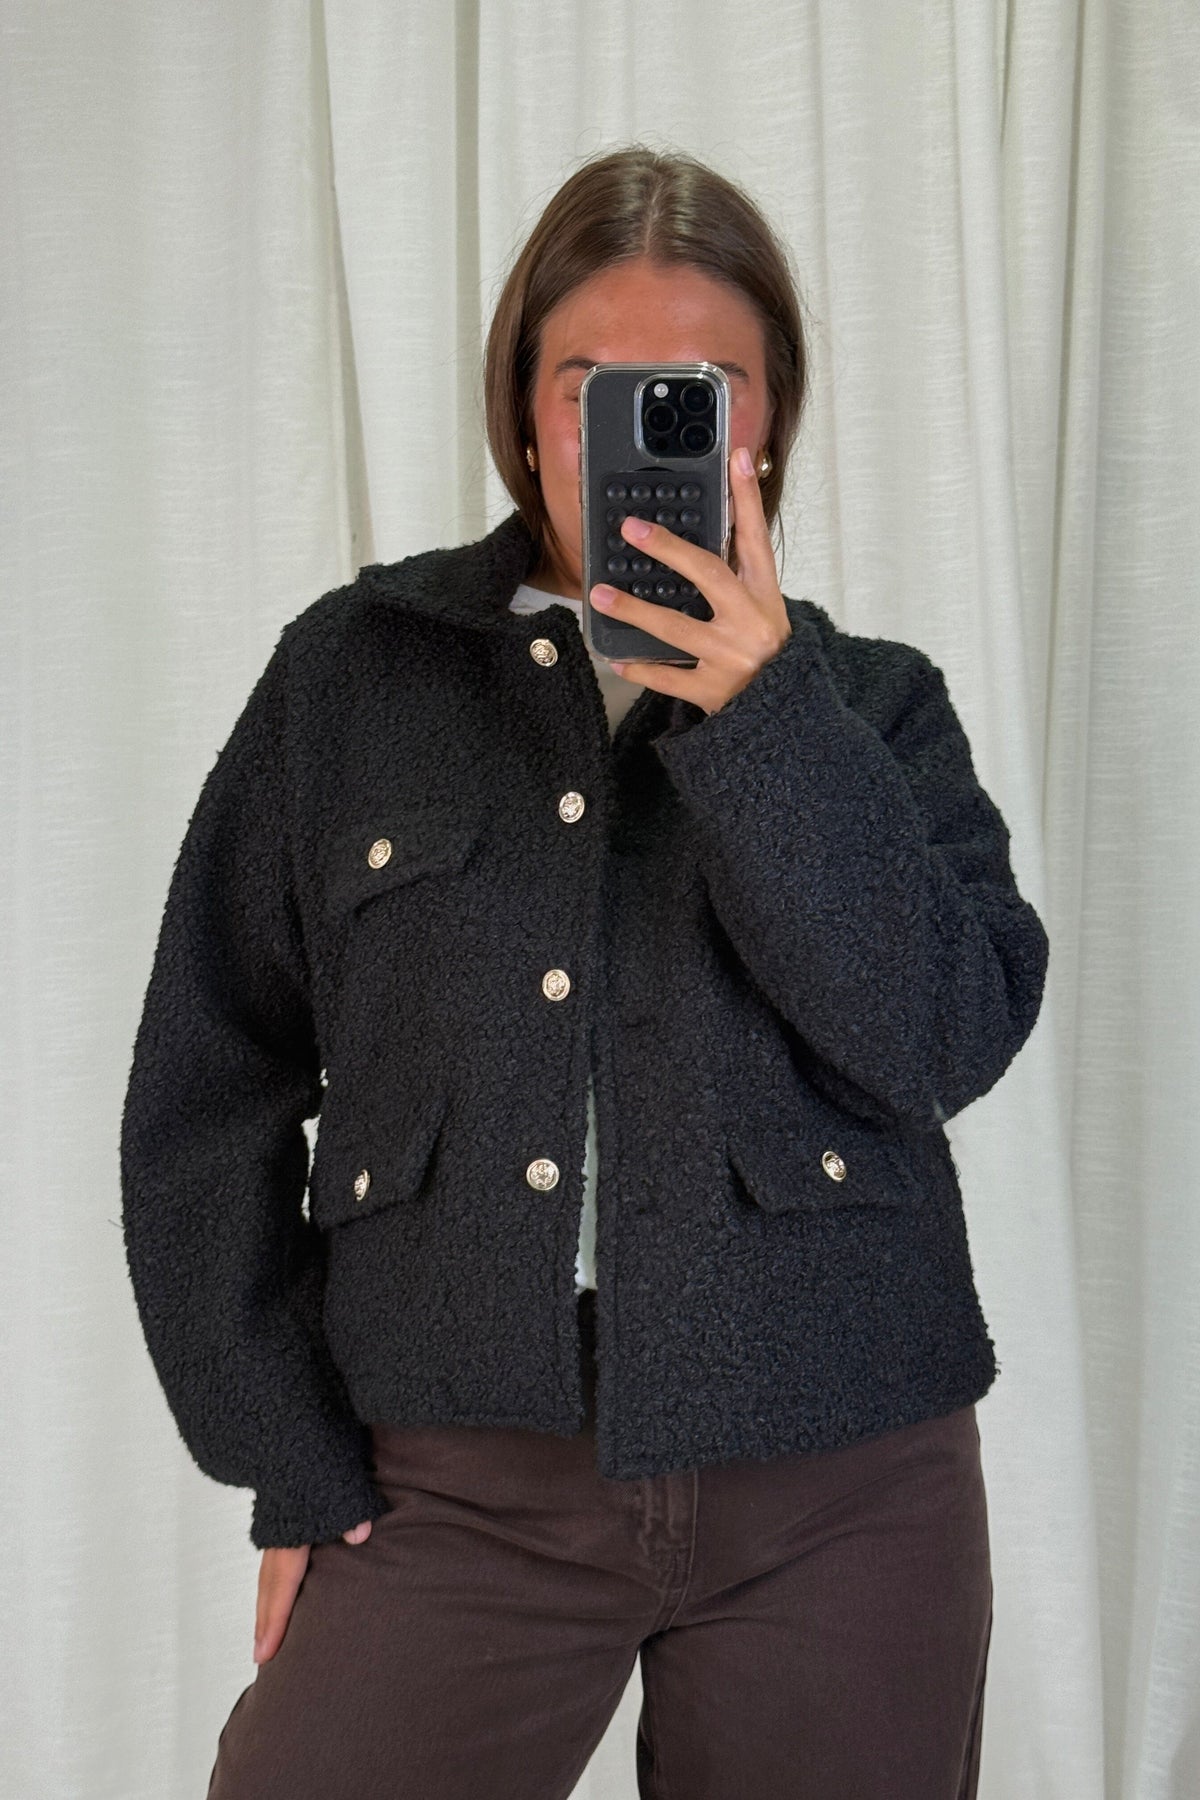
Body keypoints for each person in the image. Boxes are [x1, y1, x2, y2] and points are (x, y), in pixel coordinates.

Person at [120, 144, 1049, 1799]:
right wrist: (285, 1454)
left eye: (702, 393)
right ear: (528, 409)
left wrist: (766, 718)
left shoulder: (871, 706)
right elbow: (208, 1084)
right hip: (452, 1482)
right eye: (592, 387)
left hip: (849, 1480)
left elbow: (945, 1035)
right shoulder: (354, 680)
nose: (640, 436)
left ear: (765, 426)